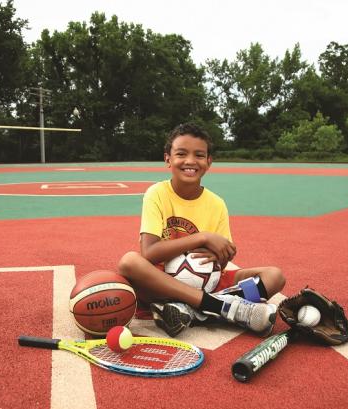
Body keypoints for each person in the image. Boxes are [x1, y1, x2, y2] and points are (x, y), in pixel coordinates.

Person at [117, 123, 285, 337]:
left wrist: (220, 254)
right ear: (168, 159)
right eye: (181, 154)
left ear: (208, 161)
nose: (190, 161)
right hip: (162, 281)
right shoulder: (157, 193)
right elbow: (149, 253)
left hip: (207, 281)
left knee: (274, 276)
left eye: (199, 155)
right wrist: (202, 238)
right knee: (129, 262)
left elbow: (221, 260)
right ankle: (218, 306)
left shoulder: (216, 204)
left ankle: (190, 311)